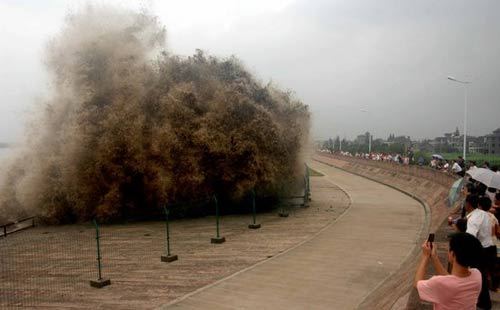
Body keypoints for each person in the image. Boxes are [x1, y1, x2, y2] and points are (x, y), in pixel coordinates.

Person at [414, 232, 482, 310]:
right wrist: (434, 258)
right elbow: (450, 280)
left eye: (449, 248)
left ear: (452, 254)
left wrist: (425, 256)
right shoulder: (477, 276)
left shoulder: (439, 282)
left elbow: (417, 284)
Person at [465, 194, 494, 309]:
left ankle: (484, 303)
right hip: (489, 248)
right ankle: (482, 302)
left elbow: (470, 237)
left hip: (480, 250)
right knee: (482, 277)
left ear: (468, 204)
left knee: (478, 277)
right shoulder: (484, 214)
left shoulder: (473, 219)